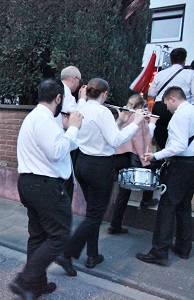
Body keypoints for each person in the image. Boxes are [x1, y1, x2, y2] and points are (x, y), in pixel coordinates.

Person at [56, 78, 145, 276]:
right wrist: (136, 123)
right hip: (99, 166)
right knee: (95, 215)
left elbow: (102, 133)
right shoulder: (103, 111)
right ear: (104, 94)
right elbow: (114, 141)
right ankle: (68, 252)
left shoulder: (82, 107)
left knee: (92, 212)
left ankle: (92, 255)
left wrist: (120, 121)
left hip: (82, 163)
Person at [8, 79, 82, 299]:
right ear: (58, 98)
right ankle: (25, 280)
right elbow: (57, 151)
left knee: (39, 236)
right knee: (59, 235)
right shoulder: (43, 119)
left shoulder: (38, 118)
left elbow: (62, 146)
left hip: (34, 184)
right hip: (44, 186)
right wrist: (75, 129)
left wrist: (70, 131)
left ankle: (36, 284)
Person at [137, 86, 194, 266]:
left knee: (167, 206)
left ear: (172, 99)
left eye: (166, 104)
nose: (166, 109)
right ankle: (184, 248)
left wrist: (156, 155)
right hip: (191, 165)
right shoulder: (192, 110)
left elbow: (178, 145)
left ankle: (160, 251)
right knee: (184, 205)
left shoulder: (179, 115)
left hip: (179, 165)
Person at [108, 94, 159, 235]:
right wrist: (152, 124)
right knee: (127, 191)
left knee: (121, 192)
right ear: (141, 106)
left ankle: (114, 224)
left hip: (117, 156)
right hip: (130, 157)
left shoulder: (123, 113)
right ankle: (145, 202)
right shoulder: (138, 118)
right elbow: (140, 140)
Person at [148, 48, 194, 150]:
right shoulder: (190, 74)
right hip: (180, 107)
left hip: (160, 107)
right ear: (184, 60)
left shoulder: (160, 74)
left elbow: (151, 93)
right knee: (180, 134)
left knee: (161, 136)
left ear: (170, 60)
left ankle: (164, 155)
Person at [59, 66, 84, 199]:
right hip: (65, 139)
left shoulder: (56, 90)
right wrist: (82, 100)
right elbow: (77, 117)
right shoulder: (68, 96)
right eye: (79, 80)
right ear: (74, 78)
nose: (79, 84)